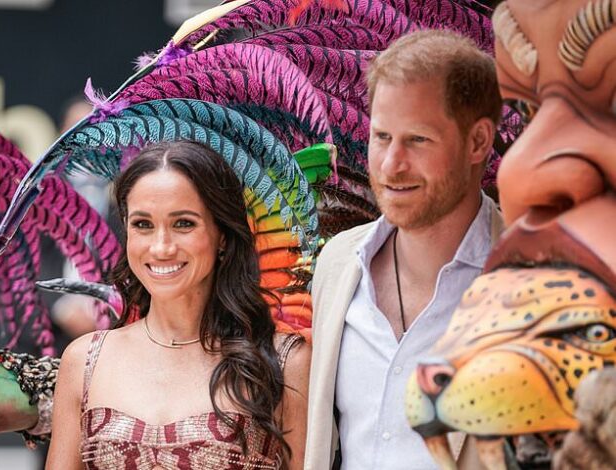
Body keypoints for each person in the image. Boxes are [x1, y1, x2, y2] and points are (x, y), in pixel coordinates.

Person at [305, 30, 504, 469]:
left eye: (417, 140)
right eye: (381, 137)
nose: (392, 164)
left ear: (477, 142)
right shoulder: (338, 264)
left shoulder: (532, 275)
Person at [47, 140, 311, 469]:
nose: (161, 248)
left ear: (223, 235)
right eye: (143, 225)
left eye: (183, 223)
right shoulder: (84, 361)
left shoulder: (285, 362)